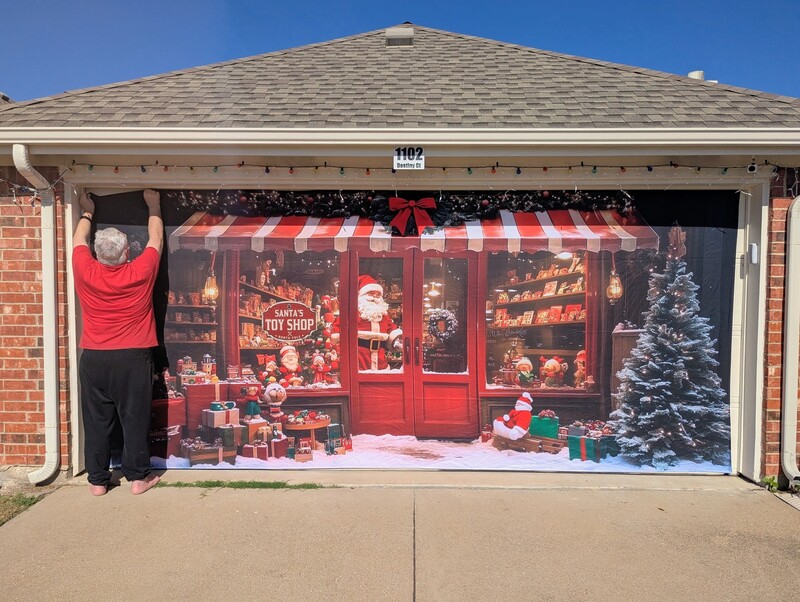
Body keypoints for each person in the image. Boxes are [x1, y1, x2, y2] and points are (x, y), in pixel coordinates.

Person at [72, 189, 163, 496]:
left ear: (97, 253)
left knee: (97, 420)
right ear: (126, 253)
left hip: (95, 357)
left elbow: (77, 241)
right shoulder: (140, 270)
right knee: (134, 417)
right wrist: (154, 204)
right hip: (132, 357)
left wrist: (87, 212)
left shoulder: (85, 269)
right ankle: (138, 479)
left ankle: (98, 481)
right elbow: (156, 240)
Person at [353, 275, 402, 370]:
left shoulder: (383, 314)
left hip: (380, 356)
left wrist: (398, 337)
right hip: (359, 356)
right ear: (362, 295)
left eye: (378, 294)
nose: (375, 297)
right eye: (371, 294)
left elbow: (391, 328)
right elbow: (338, 331)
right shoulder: (354, 312)